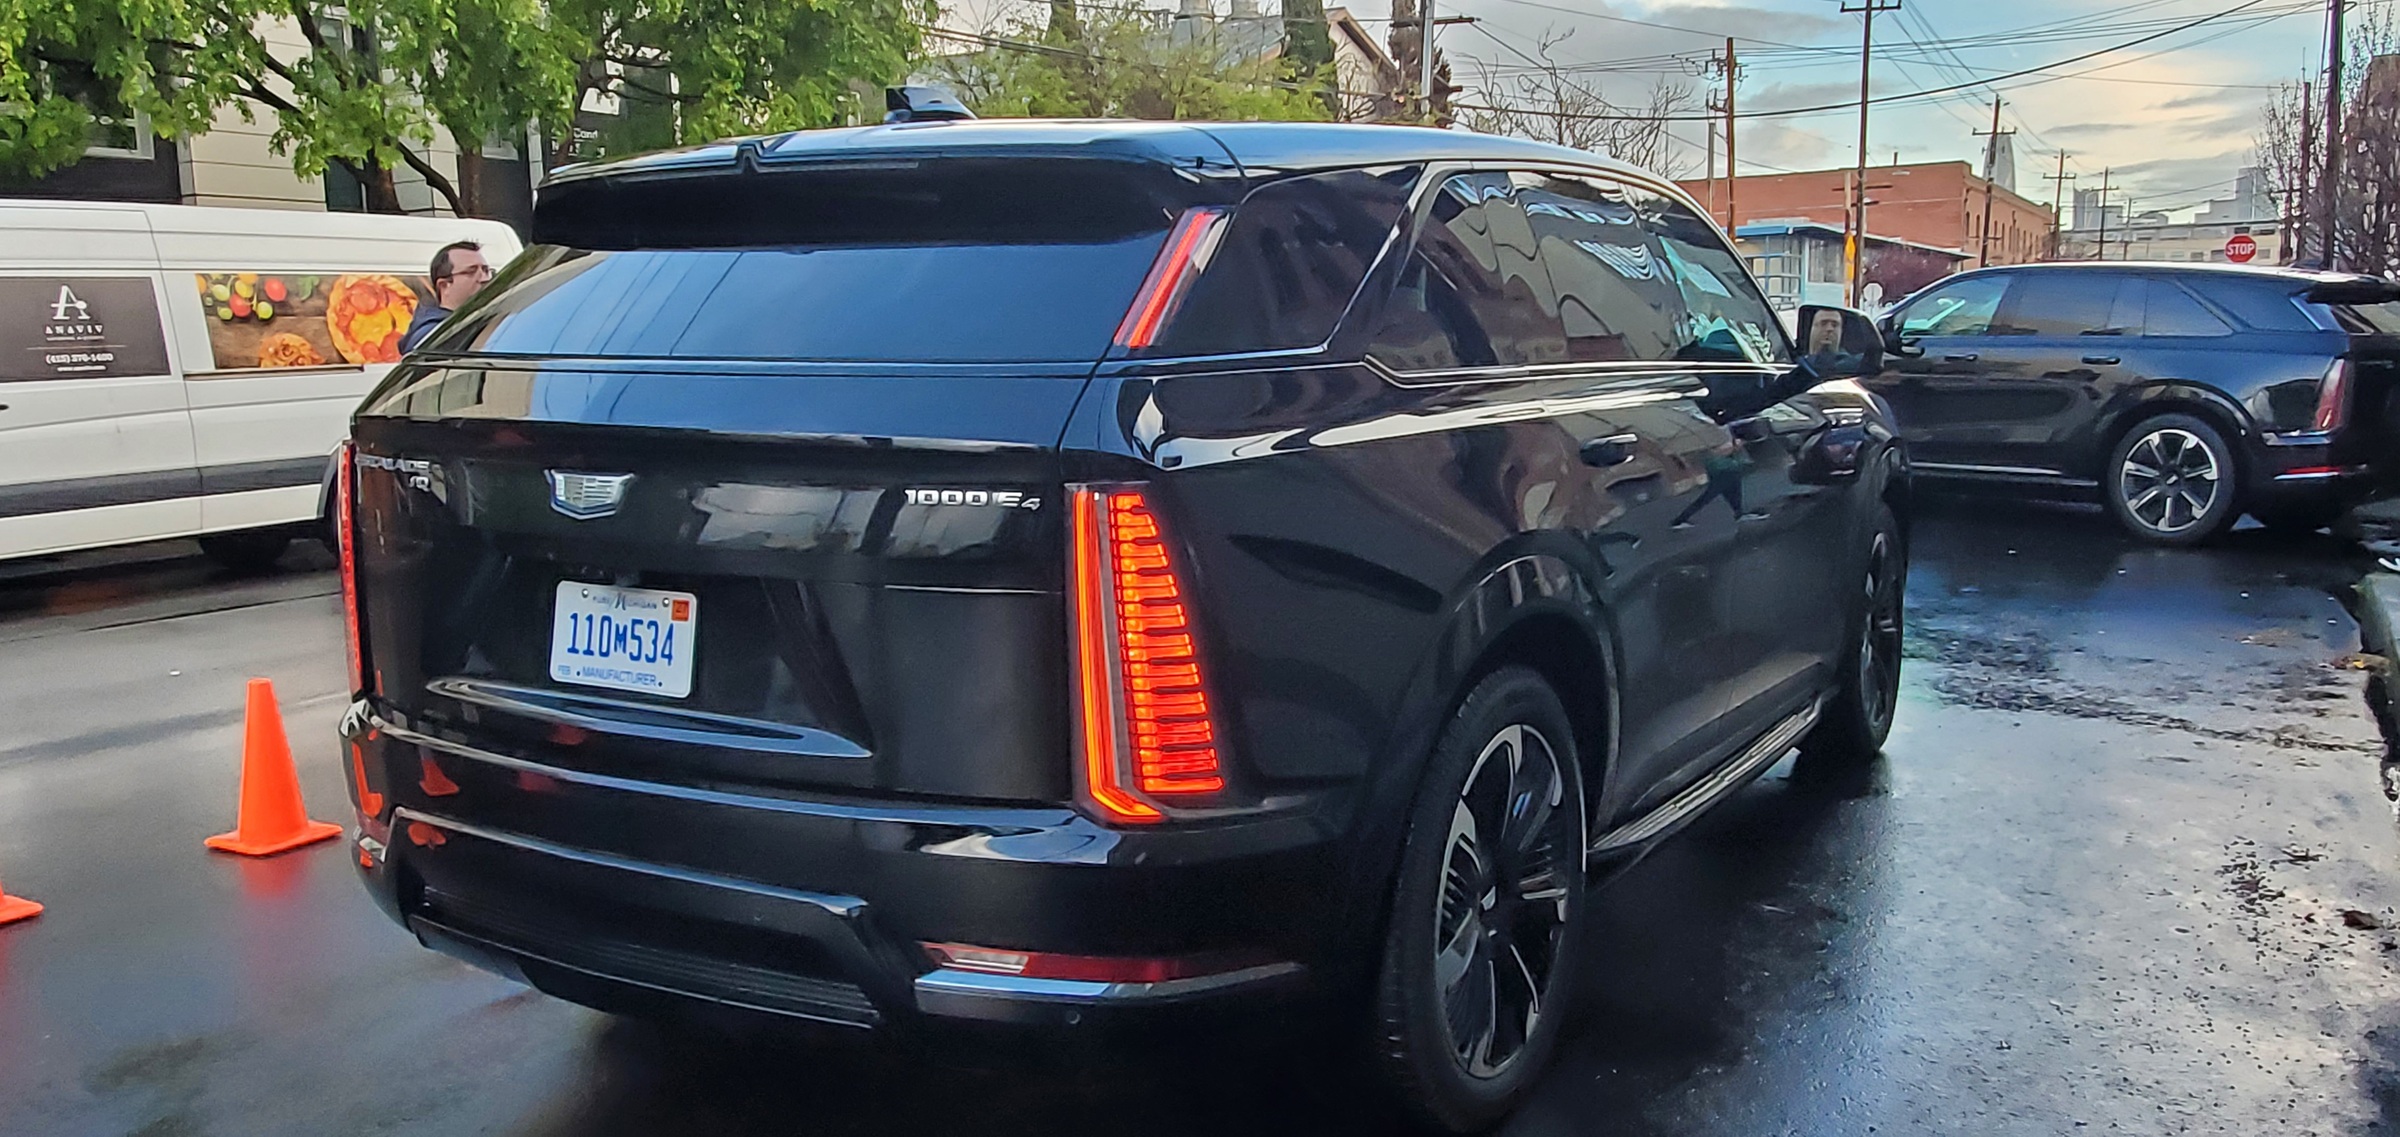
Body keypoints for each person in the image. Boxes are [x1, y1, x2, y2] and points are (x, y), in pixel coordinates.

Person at [400, 241, 492, 353]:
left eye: (486, 270)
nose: (484, 279)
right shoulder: (432, 337)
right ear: (444, 285)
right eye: (471, 272)